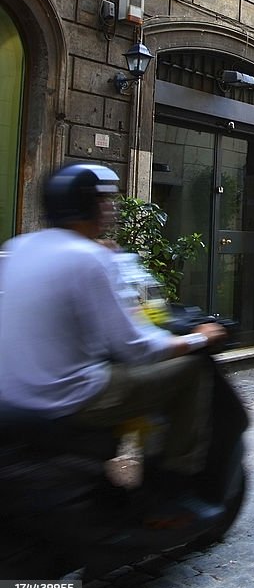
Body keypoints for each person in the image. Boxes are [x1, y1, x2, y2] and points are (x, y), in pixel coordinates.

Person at [0, 162, 227, 515]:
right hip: (67, 397)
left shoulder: (20, 246)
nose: (110, 208)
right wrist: (197, 339)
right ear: (87, 206)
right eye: (103, 200)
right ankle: (172, 490)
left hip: (13, 395)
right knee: (191, 372)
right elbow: (135, 348)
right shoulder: (88, 258)